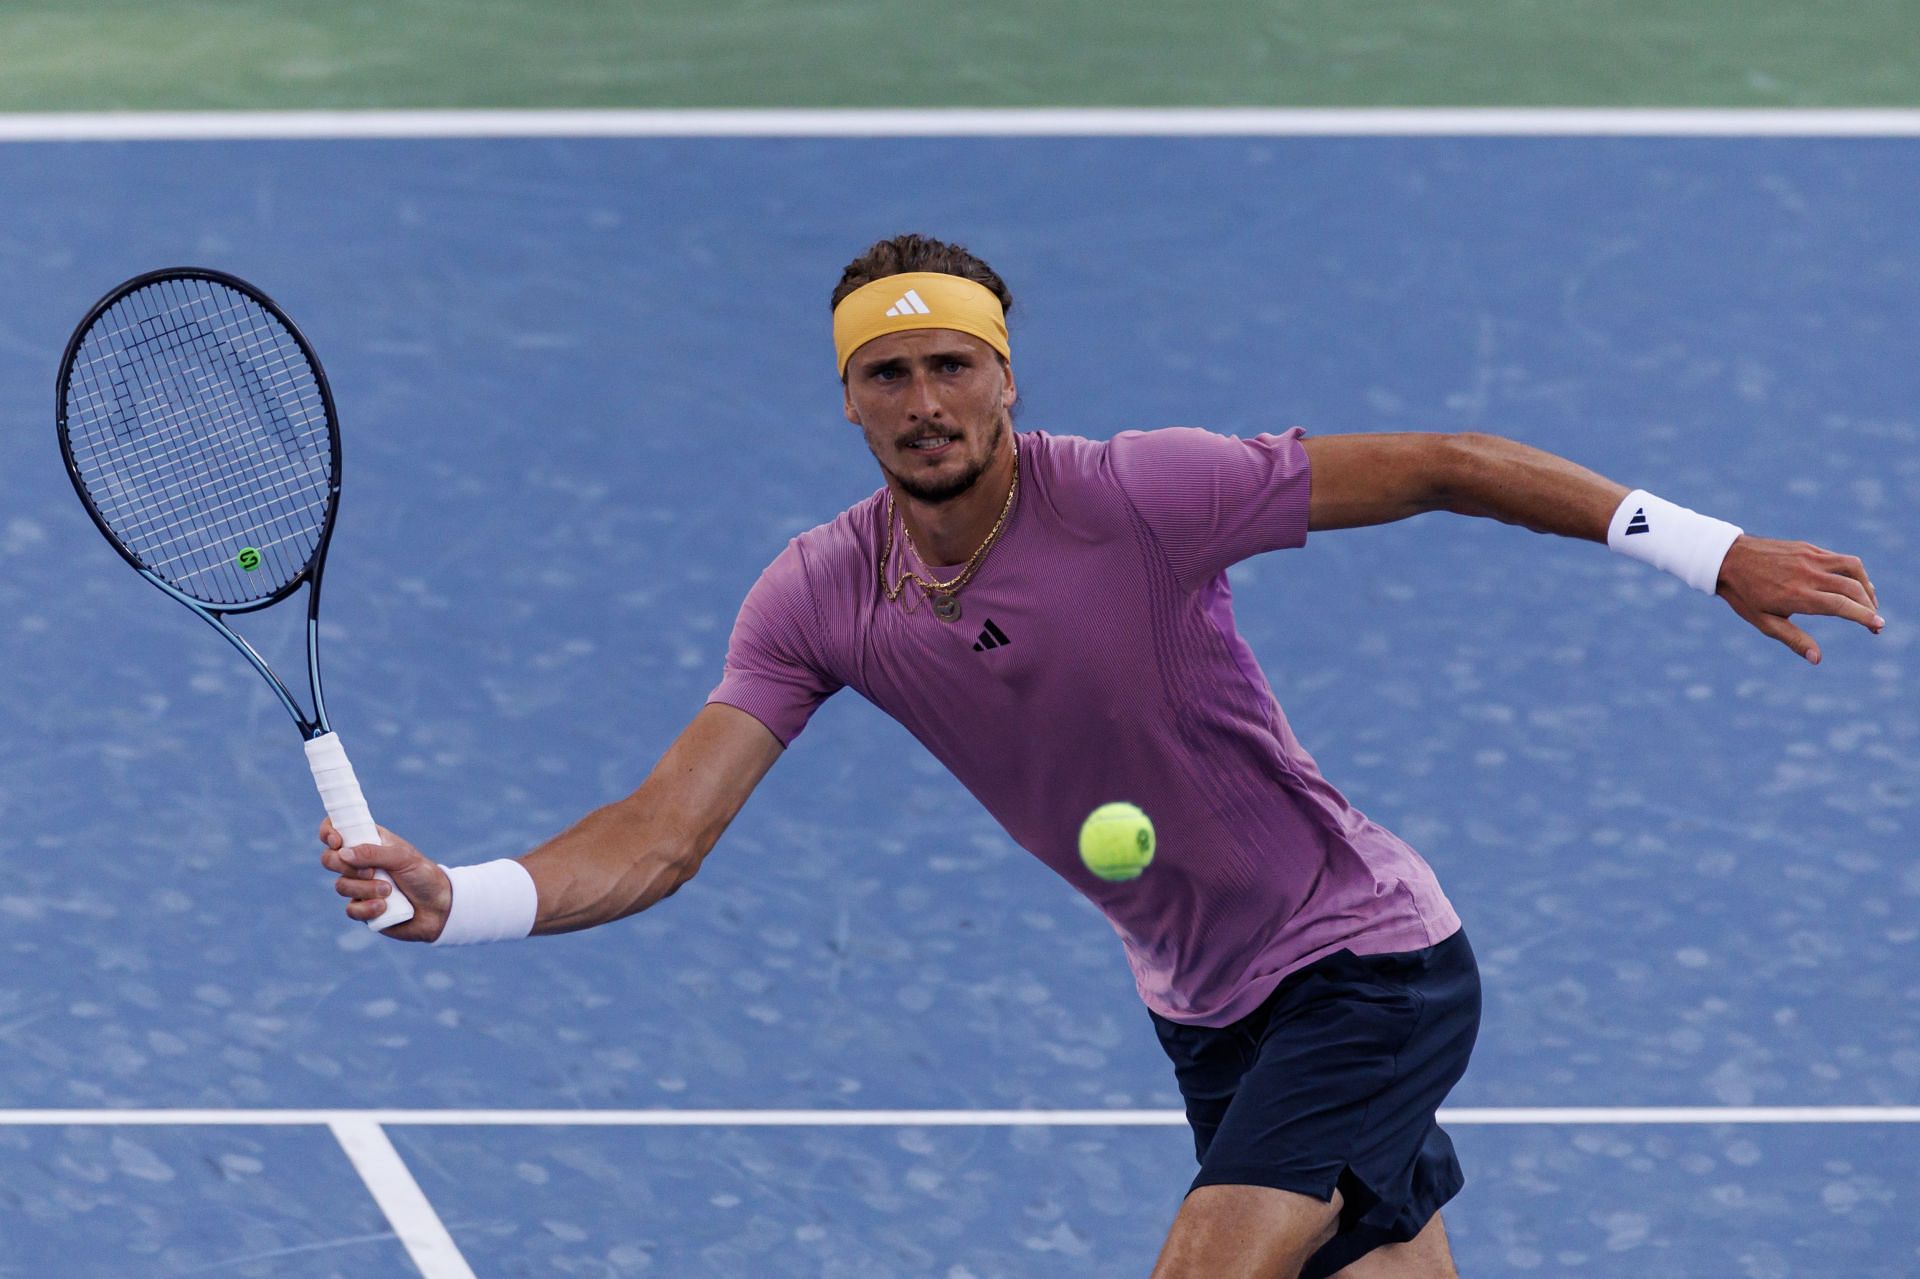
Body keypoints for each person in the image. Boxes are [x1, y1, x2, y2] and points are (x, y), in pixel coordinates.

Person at [320, 233, 1884, 1278]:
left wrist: (1708, 548)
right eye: (889, 373)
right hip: (1207, 1012)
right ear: (850, 400)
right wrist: (464, 894)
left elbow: (1442, 465)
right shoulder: (822, 594)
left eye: (954, 365)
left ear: (1007, 375)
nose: (926, 401)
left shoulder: (1142, 497)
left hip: (1367, 965)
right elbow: (663, 834)